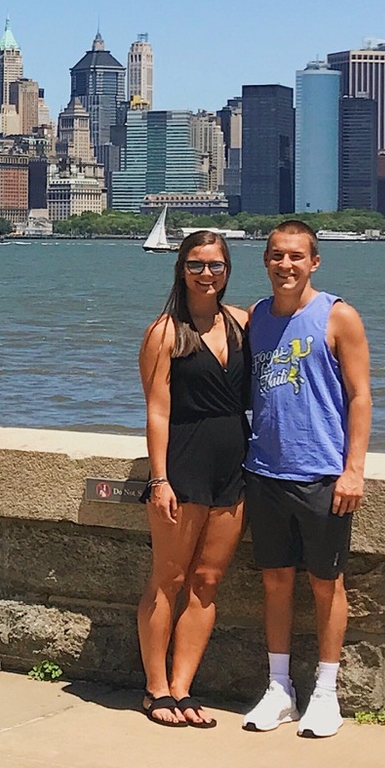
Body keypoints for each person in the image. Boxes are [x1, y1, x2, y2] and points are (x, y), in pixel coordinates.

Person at [241, 220, 371, 739]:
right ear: (266, 261)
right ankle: (279, 689)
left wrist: (353, 469)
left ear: (313, 262)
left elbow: (360, 397)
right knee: (275, 580)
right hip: (265, 472)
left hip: (322, 474)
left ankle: (325, 691)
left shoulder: (337, 316)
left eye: (296, 256)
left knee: (324, 583)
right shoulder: (256, 317)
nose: (286, 265)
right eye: (277, 256)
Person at [137, 231, 250, 728]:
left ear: (228, 271)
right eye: (197, 265)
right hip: (183, 463)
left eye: (216, 266)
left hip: (235, 463)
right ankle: (154, 688)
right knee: (170, 577)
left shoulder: (243, 323)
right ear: (181, 269)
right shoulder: (165, 332)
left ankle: (182, 687)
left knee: (207, 580)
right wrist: (159, 479)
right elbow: (157, 411)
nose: (207, 274)